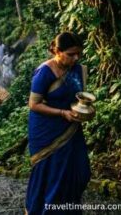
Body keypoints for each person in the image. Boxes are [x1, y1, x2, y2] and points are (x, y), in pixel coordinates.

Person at [25, 32, 90, 215]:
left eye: (78, 54)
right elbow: (34, 104)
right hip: (47, 131)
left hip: (71, 128)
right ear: (57, 51)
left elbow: (79, 96)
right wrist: (62, 113)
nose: (75, 58)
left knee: (80, 172)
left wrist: (83, 109)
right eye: (71, 54)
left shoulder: (78, 69)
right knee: (52, 176)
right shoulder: (45, 72)